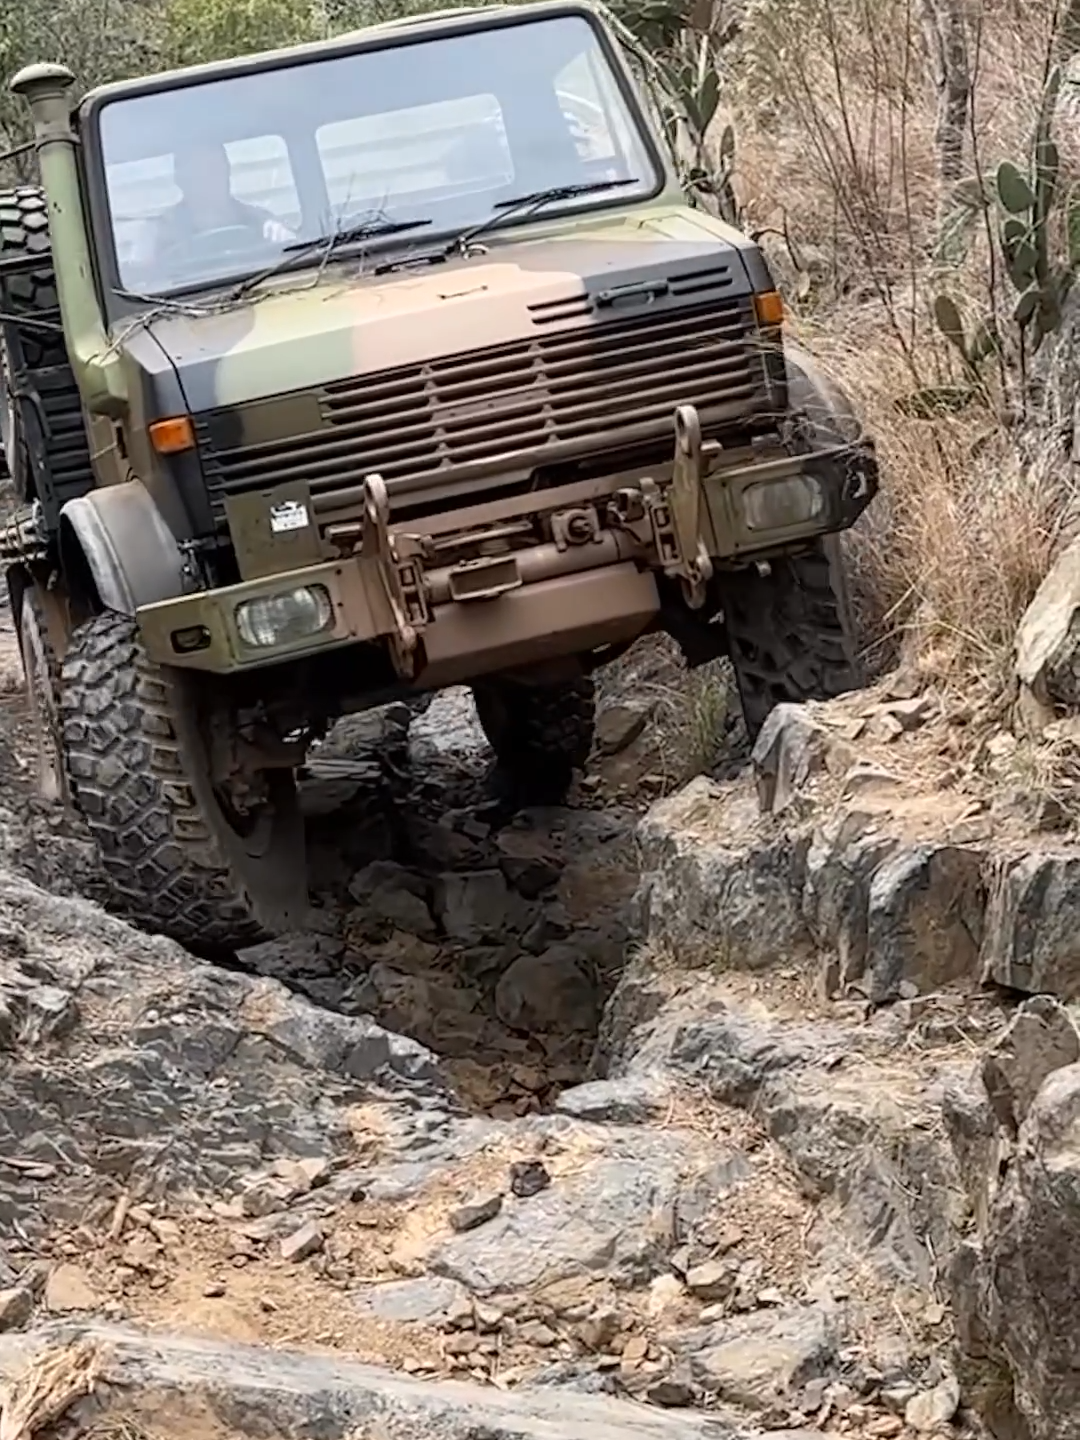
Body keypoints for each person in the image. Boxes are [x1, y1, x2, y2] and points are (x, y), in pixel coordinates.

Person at [127, 140, 294, 283]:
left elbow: (294, 254)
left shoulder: (261, 221)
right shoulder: (158, 231)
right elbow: (139, 280)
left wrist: (283, 239)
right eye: (198, 173)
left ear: (228, 172)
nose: (208, 181)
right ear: (180, 180)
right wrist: (148, 263)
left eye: (214, 170)